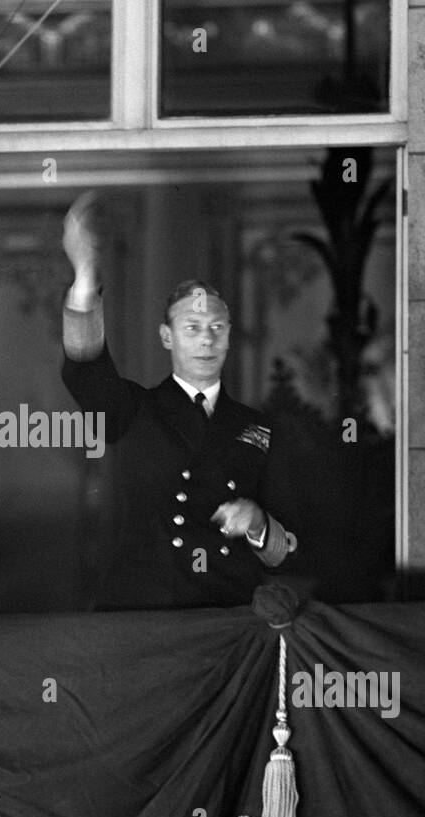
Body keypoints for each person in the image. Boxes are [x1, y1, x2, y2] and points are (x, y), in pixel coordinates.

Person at [59, 192, 295, 610]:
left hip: (227, 611)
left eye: (216, 327)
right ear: (167, 337)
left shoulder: (257, 426)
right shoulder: (134, 410)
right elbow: (86, 369)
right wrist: (84, 277)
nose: (206, 338)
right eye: (192, 327)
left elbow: (289, 546)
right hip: (146, 611)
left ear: (228, 337)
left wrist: (257, 522)